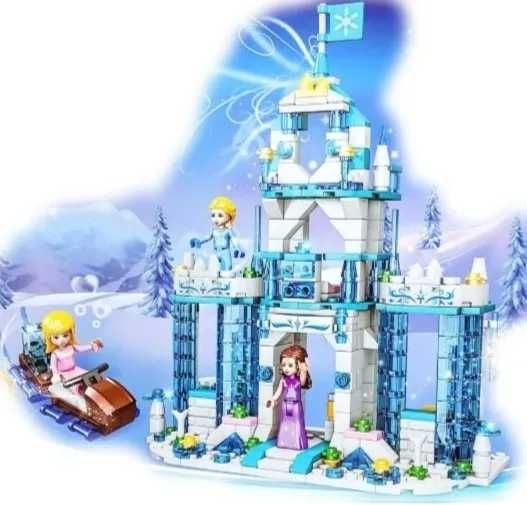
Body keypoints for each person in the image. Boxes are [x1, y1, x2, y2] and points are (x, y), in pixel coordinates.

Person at [42, 310, 103, 393]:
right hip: (63, 374)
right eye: (56, 337)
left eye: (65, 335)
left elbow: (81, 348)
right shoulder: (55, 353)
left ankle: (97, 392)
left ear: (71, 333)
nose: (62, 340)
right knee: (75, 386)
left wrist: (92, 346)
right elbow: (54, 366)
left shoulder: (72, 347)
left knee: (90, 377)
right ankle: (81, 396)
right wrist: (56, 375)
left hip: (75, 370)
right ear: (49, 338)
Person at [267, 344, 311, 450]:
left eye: (290, 365)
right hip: (285, 405)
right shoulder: (283, 380)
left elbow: (303, 381)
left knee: (296, 423)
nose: (286, 368)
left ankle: (296, 443)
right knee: (284, 423)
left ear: (297, 366)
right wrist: (273, 399)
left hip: (296, 406)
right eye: (284, 365)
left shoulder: (298, 380)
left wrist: (304, 370)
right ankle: (284, 442)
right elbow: (278, 392)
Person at [189, 196, 244, 272]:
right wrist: (199, 241)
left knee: (226, 270)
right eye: (213, 215)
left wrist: (237, 249)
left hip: (225, 253)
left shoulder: (228, 231)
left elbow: (234, 241)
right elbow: (208, 238)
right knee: (214, 270)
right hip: (215, 253)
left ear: (229, 217)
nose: (216, 219)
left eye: (220, 215)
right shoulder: (214, 230)